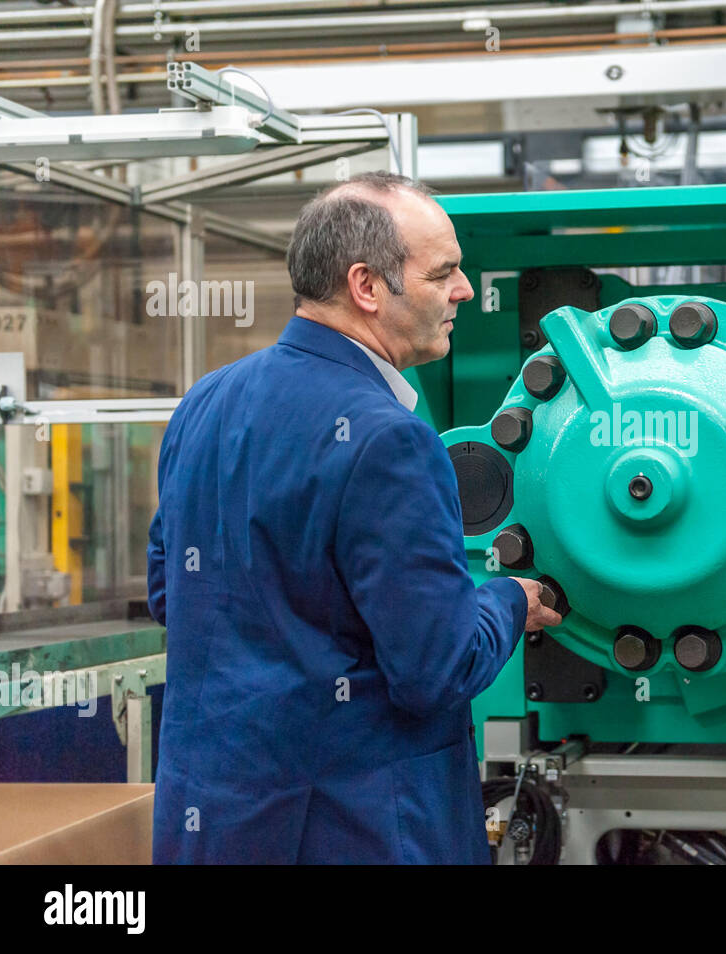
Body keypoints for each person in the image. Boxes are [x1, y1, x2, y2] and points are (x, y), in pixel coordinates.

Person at [146, 171, 560, 864]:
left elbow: (172, 594)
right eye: (445, 274)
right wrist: (507, 601)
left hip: (212, 822)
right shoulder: (388, 437)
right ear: (367, 286)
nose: (463, 291)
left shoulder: (206, 401)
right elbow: (438, 667)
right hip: (353, 831)